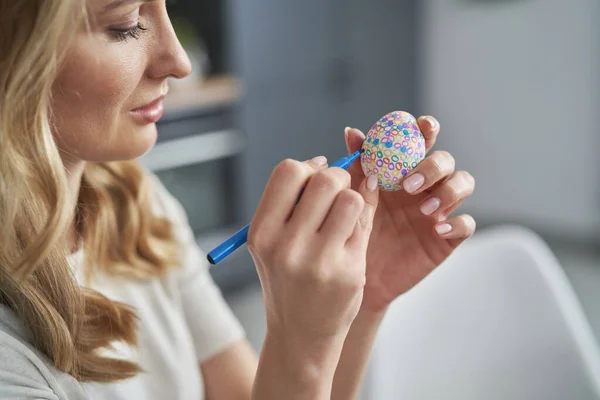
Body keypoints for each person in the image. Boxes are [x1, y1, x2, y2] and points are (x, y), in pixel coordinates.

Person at [0, 0, 476, 399]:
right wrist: (299, 346)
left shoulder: (137, 203)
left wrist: (357, 303)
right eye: (125, 25)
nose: (179, 61)